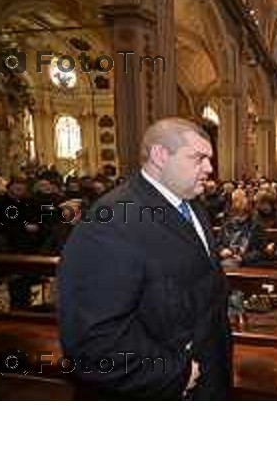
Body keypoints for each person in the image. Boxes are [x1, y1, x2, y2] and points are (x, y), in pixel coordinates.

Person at [57, 118, 232, 400]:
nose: (210, 169)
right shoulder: (110, 223)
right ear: (161, 155)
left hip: (209, 373)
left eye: (209, 159)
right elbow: (94, 341)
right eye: (198, 158)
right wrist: (176, 373)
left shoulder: (191, 204)